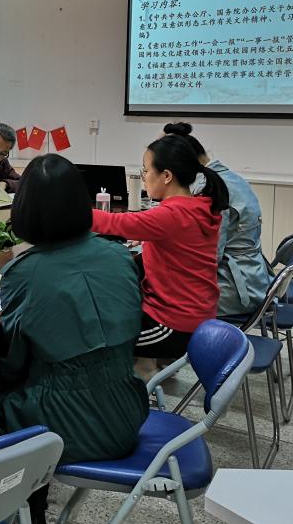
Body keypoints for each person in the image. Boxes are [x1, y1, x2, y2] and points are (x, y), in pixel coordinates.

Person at [0, 153, 148, 524]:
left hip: (64, 426)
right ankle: (24, 518)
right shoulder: (119, 255)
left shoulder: (23, 272)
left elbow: (15, 363)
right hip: (128, 410)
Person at [91, 134, 228, 368]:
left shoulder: (172, 214)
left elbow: (116, 223)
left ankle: (133, 384)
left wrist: (71, 209)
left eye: (146, 171)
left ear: (166, 176)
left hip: (174, 325)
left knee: (96, 339)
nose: (144, 177)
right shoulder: (197, 205)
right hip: (195, 314)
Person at [163, 122, 272, 317]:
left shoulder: (211, 188)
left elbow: (209, 256)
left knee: (155, 298)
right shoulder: (230, 178)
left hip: (234, 289)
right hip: (253, 278)